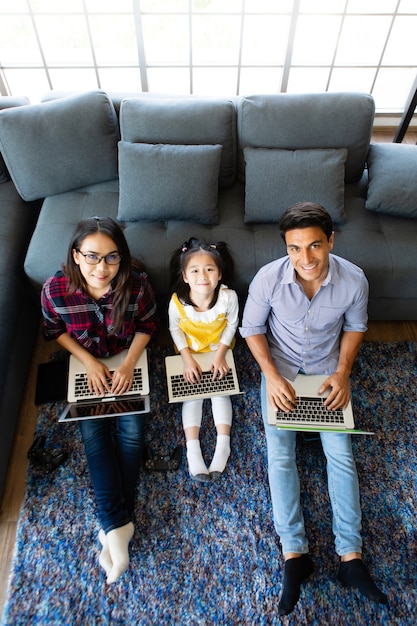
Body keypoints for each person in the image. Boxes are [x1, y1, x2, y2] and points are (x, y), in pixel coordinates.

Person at [240, 202, 387, 616]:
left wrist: (343, 373)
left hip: (326, 374)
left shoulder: (354, 280)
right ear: (286, 247)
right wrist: (270, 375)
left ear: (331, 241)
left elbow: (356, 327)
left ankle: (351, 558)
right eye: (295, 248)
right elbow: (250, 329)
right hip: (282, 374)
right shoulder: (268, 279)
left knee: (341, 456)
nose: (306, 259)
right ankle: (294, 556)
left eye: (315, 246)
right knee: (279, 457)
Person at [41, 216, 159, 584]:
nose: (102, 268)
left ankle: (113, 526)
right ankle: (118, 525)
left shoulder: (137, 285)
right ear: (76, 256)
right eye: (92, 257)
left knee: (132, 436)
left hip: (128, 360)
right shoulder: (54, 289)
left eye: (111, 258)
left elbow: (148, 326)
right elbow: (54, 331)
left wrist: (127, 364)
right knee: (94, 437)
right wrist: (88, 362)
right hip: (86, 364)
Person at [168, 237, 239, 482]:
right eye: (195, 271)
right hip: (192, 353)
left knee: (220, 392)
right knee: (193, 394)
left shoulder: (228, 297)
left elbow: (232, 325)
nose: (203, 276)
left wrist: (220, 356)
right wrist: (187, 360)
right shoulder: (177, 303)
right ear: (185, 276)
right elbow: (175, 331)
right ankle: (193, 450)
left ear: (219, 274)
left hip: (219, 350)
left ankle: (223, 445)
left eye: (209, 269)